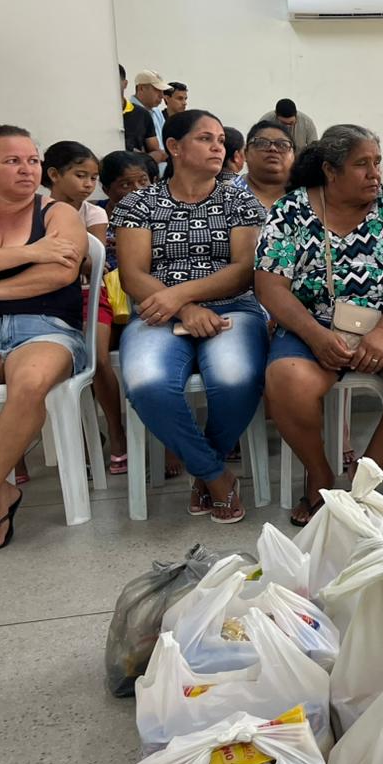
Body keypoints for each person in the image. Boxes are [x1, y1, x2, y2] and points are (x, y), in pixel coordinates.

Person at [255, 125, 383, 526]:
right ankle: (319, 476)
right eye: (362, 164)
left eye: (377, 162)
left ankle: (365, 475)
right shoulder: (290, 212)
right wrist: (314, 334)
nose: (375, 173)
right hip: (312, 321)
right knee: (288, 380)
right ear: (330, 170)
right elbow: (270, 286)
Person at [113, 109, 269, 526]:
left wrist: (185, 296)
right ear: (175, 147)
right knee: (147, 383)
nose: (219, 146)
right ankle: (216, 475)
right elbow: (132, 275)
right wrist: (182, 308)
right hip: (158, 312)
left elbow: (242, 271)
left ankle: (203, 469)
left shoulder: (238, 197)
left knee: (235, 378)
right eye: (205, 138)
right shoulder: (140, 202)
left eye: (220, 139)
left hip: (232, 307)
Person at [0, 126, 87, 548]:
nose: (27, 170)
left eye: (32, 160)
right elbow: (42, 262)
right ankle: (0, 491)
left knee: (28, 383)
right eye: (12, 161)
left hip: (46, 327)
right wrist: (29, 252)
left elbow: (60, 271)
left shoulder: (56, 212)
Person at [43, 142, 129, 476]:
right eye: (80, 175)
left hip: (90, 295)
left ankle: (117, 434)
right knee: (56, 368)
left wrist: (61, 255)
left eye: (93, 178)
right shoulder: (35, 211)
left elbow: (91, 261)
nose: (88, 184)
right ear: (53, 175)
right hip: (47, 298)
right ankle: (76, 442)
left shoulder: (94, 213)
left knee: (98, 359)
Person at [243, 121, 296, 210]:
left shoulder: (309, 197)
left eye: (282, 145)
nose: (273, 149)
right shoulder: (225, 195)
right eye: (262, 143)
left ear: (294, 156)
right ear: (245, 154)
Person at [125, 70, 170, 164]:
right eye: (157, 90)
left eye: (162, 91)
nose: (162, 96)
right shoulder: (128, 113)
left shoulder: (157, 111)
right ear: (141, 88)